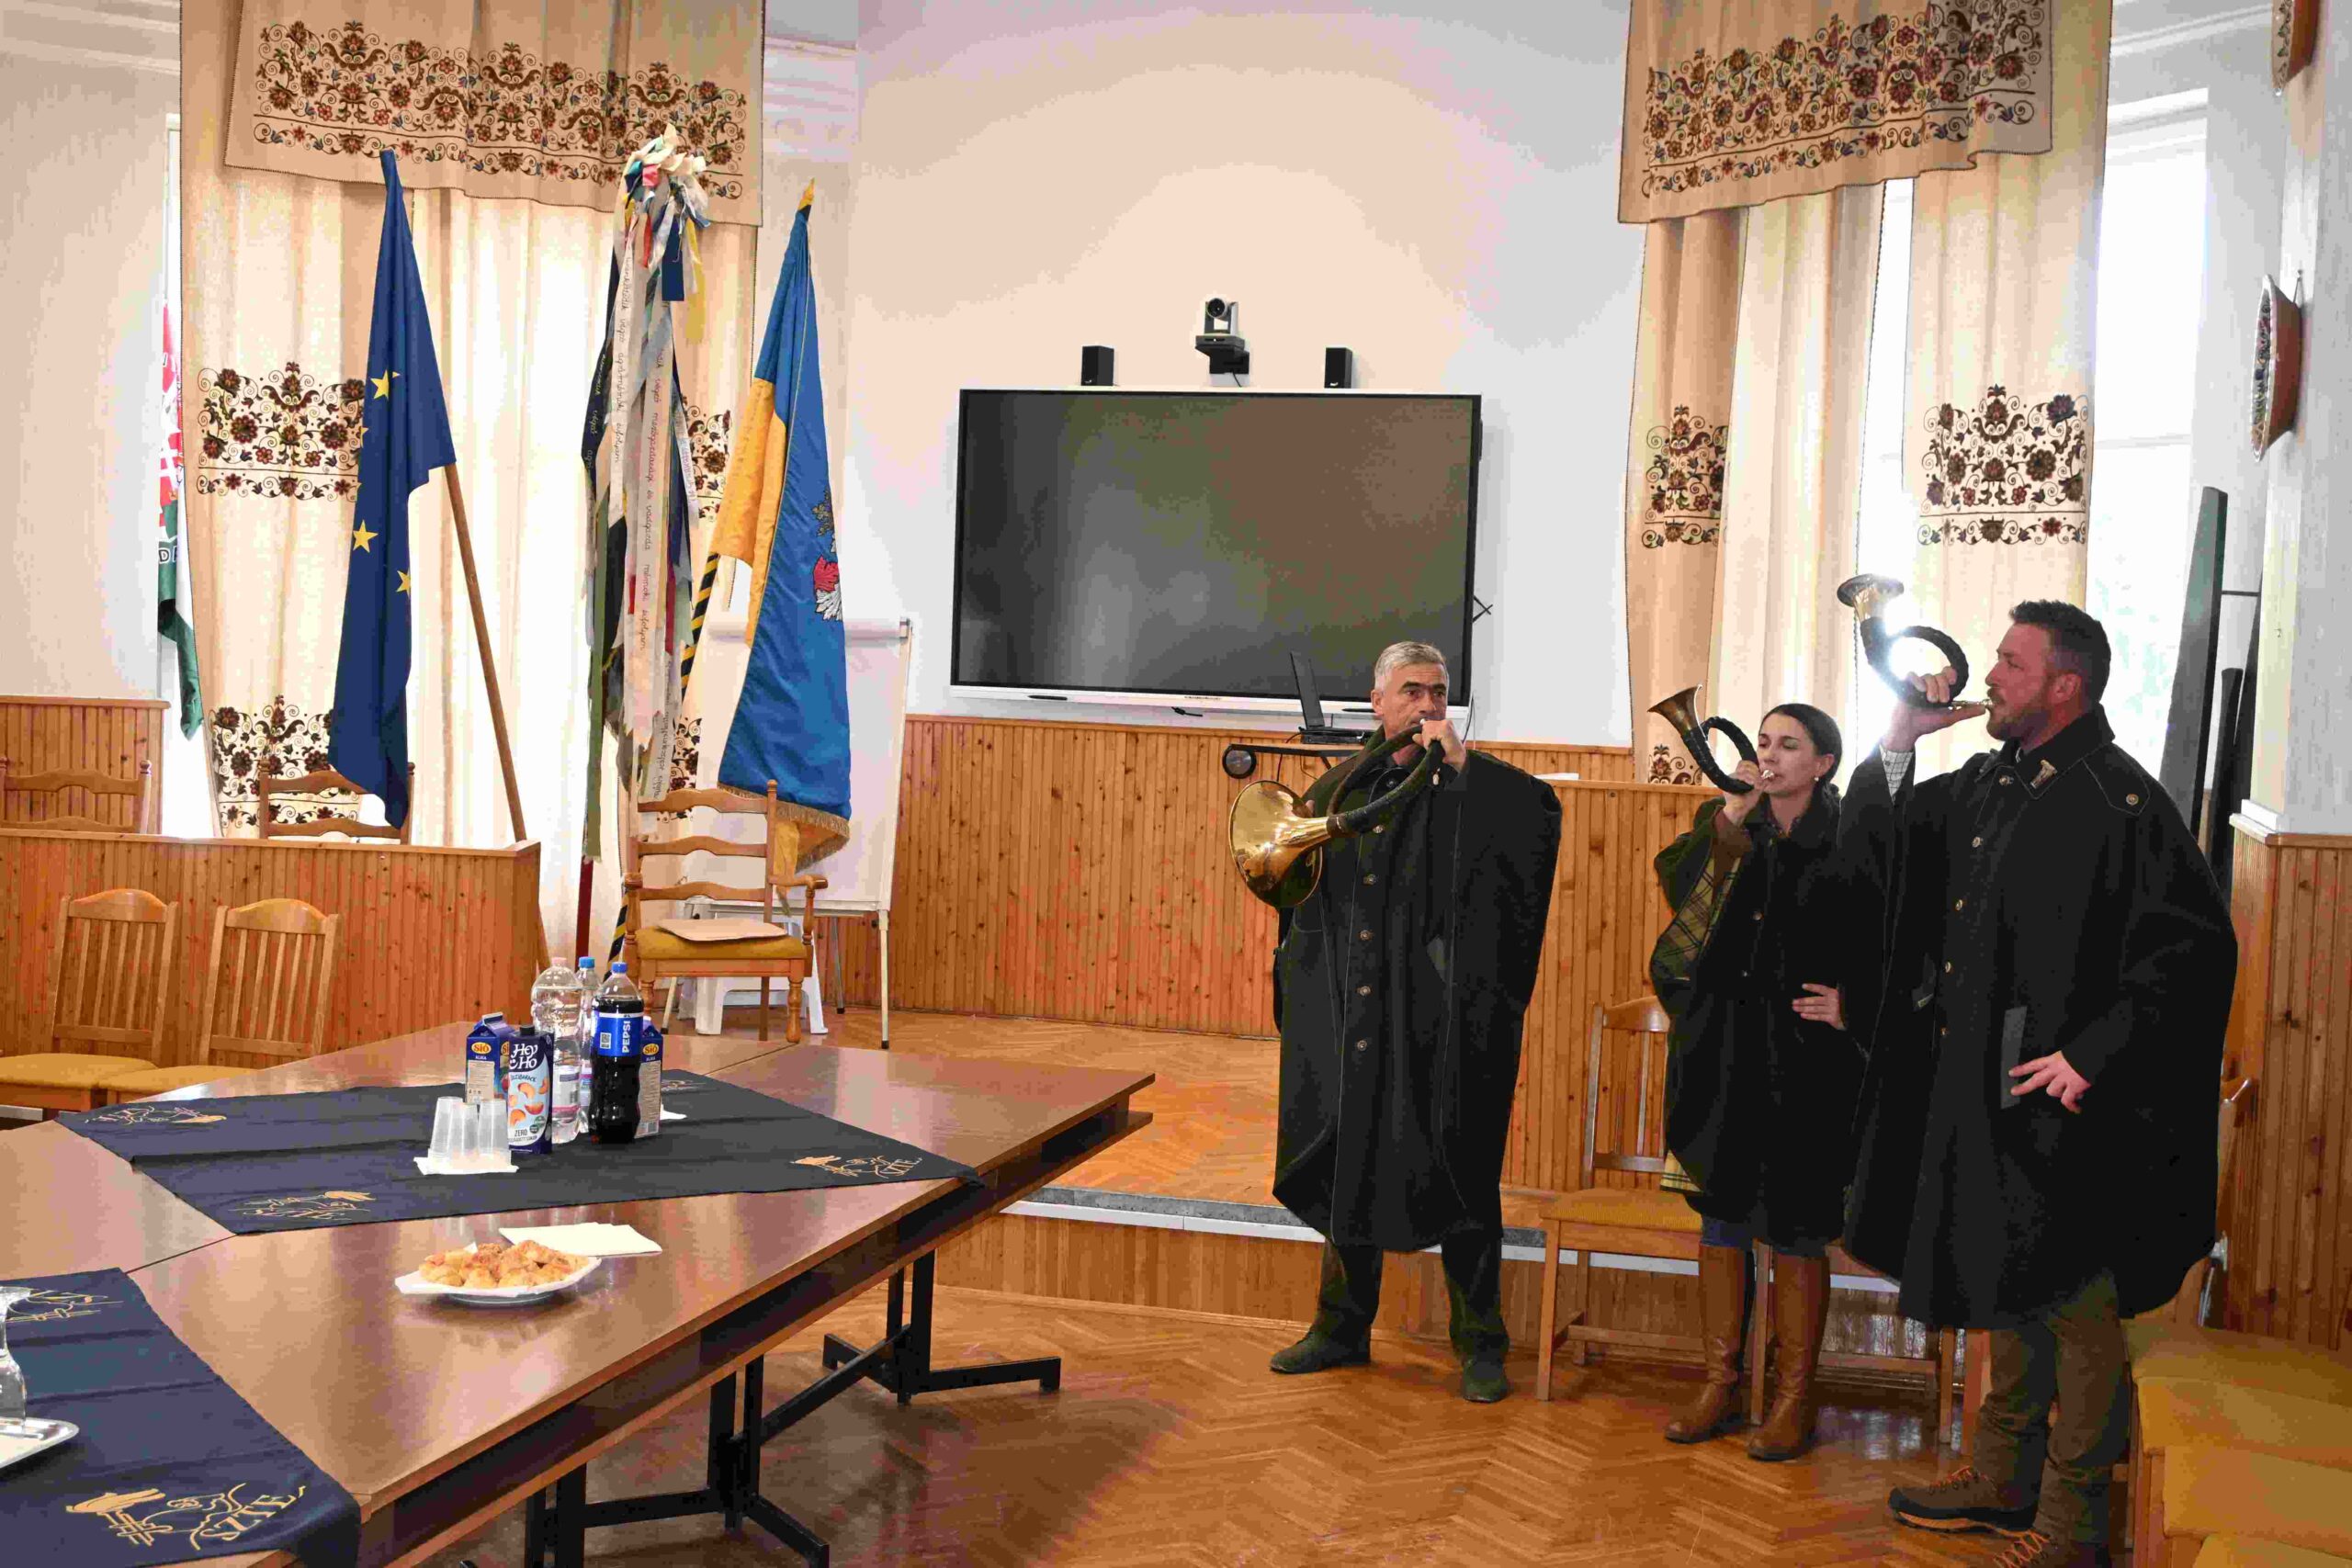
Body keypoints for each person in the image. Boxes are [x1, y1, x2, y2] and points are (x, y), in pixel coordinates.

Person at [1841, 603, 2236, 1568]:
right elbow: (1880, 847)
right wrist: (1900, 737)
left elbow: (2193, 954)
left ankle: (2072, 1521)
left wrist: (2093, 1054)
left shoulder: (2122, 801)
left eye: (2012, 664)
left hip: (2075, 1109)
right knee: (2008, 1279)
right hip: (1986, 1092)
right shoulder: (1992, 780)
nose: (1990, 677)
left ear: (2066, 685)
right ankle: (2001, 1477)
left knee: (2076, 1306)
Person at [1266, 640, 1563, 1403]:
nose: (1427, 704)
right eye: (1411, 690)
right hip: (1354, 1017)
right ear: (1378, 701)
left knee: (1460, 1169)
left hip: (1441, 1025)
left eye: (1437, 691)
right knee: (1347, 1164)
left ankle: (1481, 1344)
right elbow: (1293, 894)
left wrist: (1463, 772)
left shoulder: (1475, 784)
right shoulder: (1339, 788)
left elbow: (1535, 828)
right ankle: (1340, 1327)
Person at [1648, 703, 1869, 1460]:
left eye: (1789, 746)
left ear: (1823, 764)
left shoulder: (1853, 836)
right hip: (1723, 1056)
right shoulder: (1730, 825)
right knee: (1721, 1219)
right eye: (1764, 742)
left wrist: (1855, 1005)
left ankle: (1794, 1398)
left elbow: (1896, 935)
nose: (1769, 756)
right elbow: (1684, 912)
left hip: (1807, 1067)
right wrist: (1731, 818)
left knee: (1798, 1227)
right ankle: (1720, 1383)